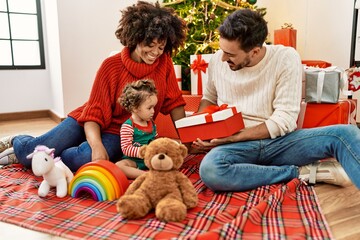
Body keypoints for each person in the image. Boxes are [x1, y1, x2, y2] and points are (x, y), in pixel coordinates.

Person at [0, 1, 187, 172]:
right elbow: (94, 113)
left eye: (161, 47)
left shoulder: (164, 63)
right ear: (136, 37)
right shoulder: (111, 66)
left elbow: (175, 103)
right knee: (28, 156)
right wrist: (96, 145)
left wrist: (186, 137)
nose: (155, 53)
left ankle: (55, 157)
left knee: (81, 159)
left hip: (118, 131)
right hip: (88, 120)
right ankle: (17, 140)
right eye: (150, 45)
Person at [193, 9, 360, 192]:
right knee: (211, 170)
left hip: (280, 143)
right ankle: (300, 172)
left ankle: (264, 172)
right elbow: (209, 98)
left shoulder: (285, 58)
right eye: (222, 50)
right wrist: (200, 129)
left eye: (231, 55)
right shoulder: (218, 61)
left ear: (255, 51)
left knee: (346, 134)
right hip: (237, 147)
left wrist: (234, 136)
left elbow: (285, 119)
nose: (223, 58)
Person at [115, 79, 158, 179]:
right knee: (119, 166)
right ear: (135, 108)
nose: (153, 111)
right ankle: (145, 175)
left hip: (151, 159)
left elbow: (156, 140)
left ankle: (158, 172)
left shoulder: (151, 123)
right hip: (134, 161)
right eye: (149, 108)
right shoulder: (128, 126)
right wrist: (145, 152)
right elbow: (126, 149)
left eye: (154, 107)